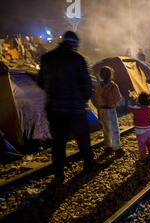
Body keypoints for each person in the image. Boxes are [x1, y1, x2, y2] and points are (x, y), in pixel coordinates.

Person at [37, 31, 94, 181]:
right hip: (75, 109)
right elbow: (88, 85)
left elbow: (40, 82)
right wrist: (82, 99)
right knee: (83, 139)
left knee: (58, 142)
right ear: (75, 44)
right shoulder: (78, 59)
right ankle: (88, 165)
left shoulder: (46, 58)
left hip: (54, 109)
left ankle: (58, 174)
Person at [95, 66, 124, 155]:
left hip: (102, 110)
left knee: (106, 129)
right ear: (111, 75)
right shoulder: (113, 85)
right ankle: (117, 148)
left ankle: (108, 146)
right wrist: (112, 101)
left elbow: (97, 97)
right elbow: (118, 98)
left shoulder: (99, 86)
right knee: (114, 129)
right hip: (110, 110)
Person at [128, 92, 150, 160]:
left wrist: (132, 100)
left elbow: (129, 106)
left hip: (140, 131)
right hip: (149, 129)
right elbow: (144, 105)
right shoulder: (148, 108)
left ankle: (142, 158)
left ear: (139, 101)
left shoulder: (136, 109)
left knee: (142, 145)